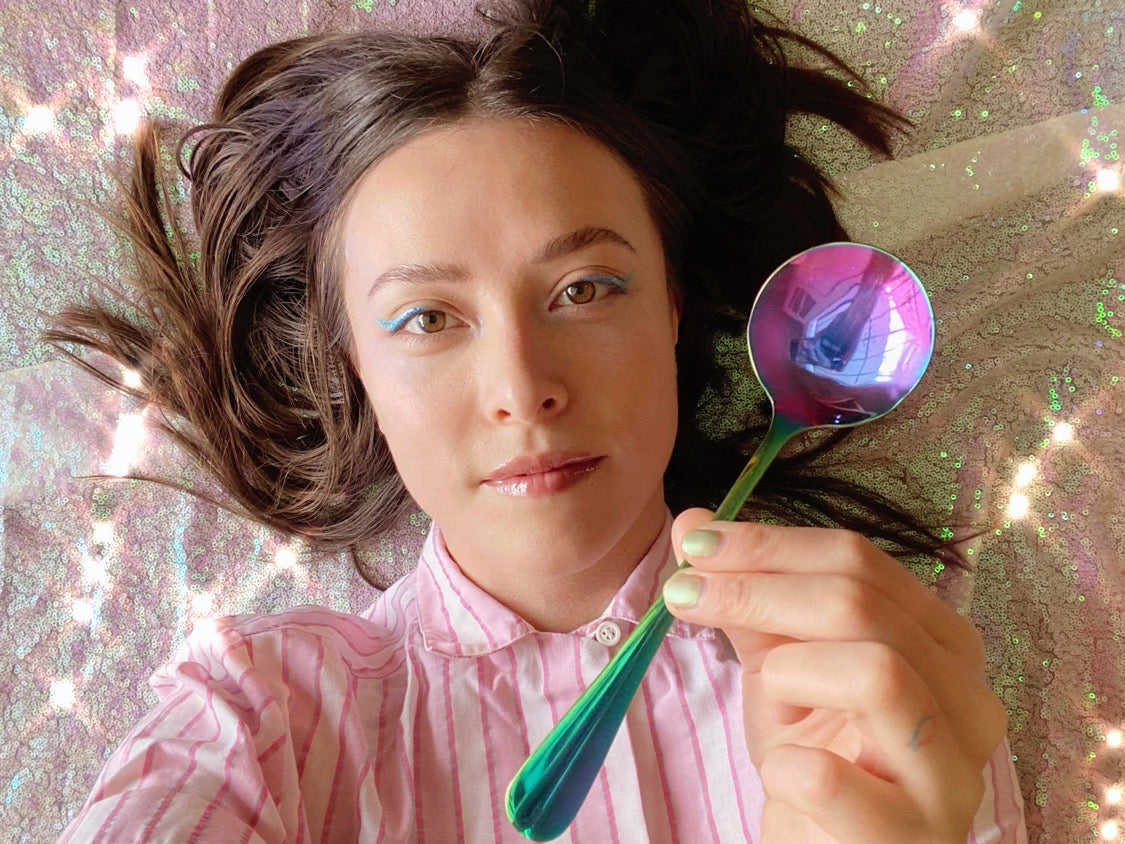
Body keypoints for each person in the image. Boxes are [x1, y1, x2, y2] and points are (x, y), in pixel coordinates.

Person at [51, 0, 1027, 840]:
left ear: (674, 305)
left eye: (585, 288)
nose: (522, 385)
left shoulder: (874, 675)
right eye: (428, 318)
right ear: (355, 364)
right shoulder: (261, 715)